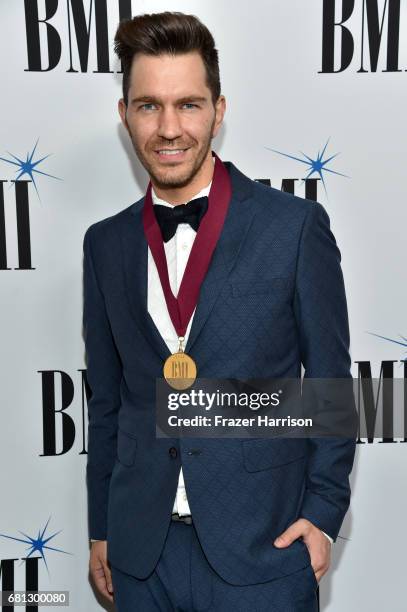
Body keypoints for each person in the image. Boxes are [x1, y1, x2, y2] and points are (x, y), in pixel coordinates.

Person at [83, 11, 356, 611]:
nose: (169, 128)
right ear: (124, 114)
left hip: (262, 551)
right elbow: (106, 400)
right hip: (139, 557)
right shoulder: (104, 244)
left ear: (219, 110)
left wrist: (322, 513)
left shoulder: (292, 229)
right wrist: (101, 526)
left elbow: (332, 386)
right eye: (149, 105)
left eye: (189, 104)